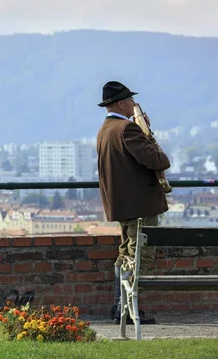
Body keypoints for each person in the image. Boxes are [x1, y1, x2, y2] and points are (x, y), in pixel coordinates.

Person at [96, 81, 171, 325]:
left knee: (125, 254)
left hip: (122, 205)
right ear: (120, 103)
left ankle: (120, 306)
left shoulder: (105, 129)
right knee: (139, 257)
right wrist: (146, 131)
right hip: (140, 205)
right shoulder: (128, 129)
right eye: (130, 100)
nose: (134, 104)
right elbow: (156, 160)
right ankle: (127, 310)